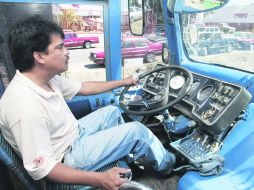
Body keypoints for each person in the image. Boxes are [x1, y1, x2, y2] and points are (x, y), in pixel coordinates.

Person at [0, 15, 176, 190]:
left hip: (73, 135)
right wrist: (100, 179)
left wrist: (124, 81)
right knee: (137, 132)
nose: (67, 52)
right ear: (39, 56)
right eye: (60, 47)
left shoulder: (45, 78)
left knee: (112, 112)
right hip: (65, 158)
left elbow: (85, 87)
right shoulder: (25, 106)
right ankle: (170, 169)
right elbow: (44, 169)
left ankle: (128, 158)